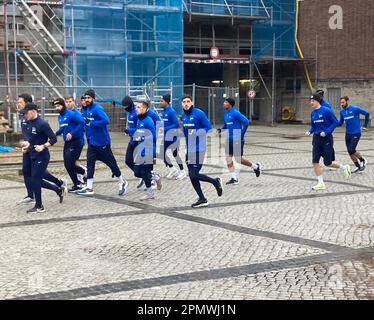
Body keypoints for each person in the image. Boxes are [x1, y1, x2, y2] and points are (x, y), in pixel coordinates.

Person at [16, 93, 67, 206]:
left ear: (29, 106)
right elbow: (31, 138)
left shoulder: (41, 123)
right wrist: (26, 145)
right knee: (30, 174)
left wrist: (43, 146)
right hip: (30, 151)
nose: (18, 104)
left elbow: (53, 138)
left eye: (20, 102)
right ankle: (54, 189)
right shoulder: (26, 118)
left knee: (36, 178)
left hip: (41, 154)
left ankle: (40, 203)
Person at [77, 89, 128, 196]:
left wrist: (92, 122)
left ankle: (122, 181)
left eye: (89, 98)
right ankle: (89, 187)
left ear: (93, 99)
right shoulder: (84, 110)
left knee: (112, 164)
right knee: (90, 164)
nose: (86, 100)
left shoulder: (97, 108)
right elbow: (84, 123)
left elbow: (106, 121)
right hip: (92, 143)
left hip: (102, 143)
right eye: (85, 98)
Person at [181, 94, 223, 208]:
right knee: (192, 175)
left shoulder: (199, 113)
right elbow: (185, 133)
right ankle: (202, 199)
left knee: (194, 174)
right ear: (181, 104)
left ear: (192, 102)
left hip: (199, 148)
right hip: (189, 149)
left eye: (188, 101)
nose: (186, 103)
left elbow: (209, 128)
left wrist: (196, 132)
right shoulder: (184, 116)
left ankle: (215, 182)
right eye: (184, 101)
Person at [305, 94, 351, 191]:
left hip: (326, 139)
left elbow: (335, 122)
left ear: (318, 101)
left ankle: (344, 167)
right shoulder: (313, 113)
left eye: (313, 101)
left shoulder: (326, 111)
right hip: (316, 139)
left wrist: (326, 132)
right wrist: (310, 131)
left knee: (328, 163)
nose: (311, 103)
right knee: (315, 161)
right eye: (310, 101)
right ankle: (320, 183)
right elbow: (313, 126)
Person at [217, 98, 261, 185]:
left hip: (237, 138)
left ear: (230, 104)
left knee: (238, 159)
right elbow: (227, 125)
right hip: (228, 139)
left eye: (226, 102)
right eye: (224, 102)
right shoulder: (226, 114)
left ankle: (256, 167)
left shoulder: (235, 113)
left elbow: (246, 122)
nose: (224, 103)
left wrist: (242, 133)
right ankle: (234, 178)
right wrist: (221, 130)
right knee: (228, 158)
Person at [54, 98, 86, 192]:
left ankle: (84, 173)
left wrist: (72, 133)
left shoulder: (71, 114)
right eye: (56, 106)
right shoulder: (60, 117)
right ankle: (77, 183)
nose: (57, 108)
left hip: (76, 141)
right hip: (67, 143)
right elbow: (62, 129)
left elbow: (81, 123)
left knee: (70, 164)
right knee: (67, 165)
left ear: (63, 106)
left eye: (59, 106)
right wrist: (54, 134)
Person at [132, 100, 162, 200]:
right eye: (136, 107)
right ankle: (155, 177)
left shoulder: (148, 121)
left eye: (139, 107)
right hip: (140, 150)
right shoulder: (139, 119)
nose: (136, 109)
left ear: (145, 109)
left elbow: (152, 137)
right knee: (137, 172)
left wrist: (140, 138)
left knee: (145, 173)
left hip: (149, 151)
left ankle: (150, 193)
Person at [338, 96, 369, 173]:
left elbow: (367, 113)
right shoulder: (342, 112)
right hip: (347, 134)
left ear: (347, 101)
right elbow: (340, 123)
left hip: (356, 133)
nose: (342, 104)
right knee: (350, 151)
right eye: (341, 102)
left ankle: (362, 160)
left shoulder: (355, 108)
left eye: (343, 102)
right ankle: (358, 167)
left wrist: (365, 125)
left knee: (351, 149)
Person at [159, 93, 186, 180]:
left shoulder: (171, 111)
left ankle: (182, 171)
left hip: (174, 136)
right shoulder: (163, 111)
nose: (160, 102)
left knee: (175, 154)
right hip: (166, 136)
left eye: (162, 101)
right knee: (161, 154)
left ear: (166, 102)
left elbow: (176, 124)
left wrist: (165, 128)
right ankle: (173, 169)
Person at [65, 95, 87, 184]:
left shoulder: (76, 113)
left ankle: (84, 174)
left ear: (73, 102)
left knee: (72, 163)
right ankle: (79, 180)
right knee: (73, 162)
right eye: (67, 102)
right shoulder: (66, 113)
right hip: (69, 142)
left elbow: (82, 125)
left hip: (78, 141)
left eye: (70, 101)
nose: (68, 103)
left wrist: (72, 133)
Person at [122, 95, 138, 175]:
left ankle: (149, 178)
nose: (125, 108)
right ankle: (142, 175)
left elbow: (139, 128)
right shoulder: (128, 112)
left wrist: (129, 130)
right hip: (132, 139)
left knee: (143, 161)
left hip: (139, 139)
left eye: (126, 106)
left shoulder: (136, 112)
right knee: (128, 161)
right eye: (124, 107)